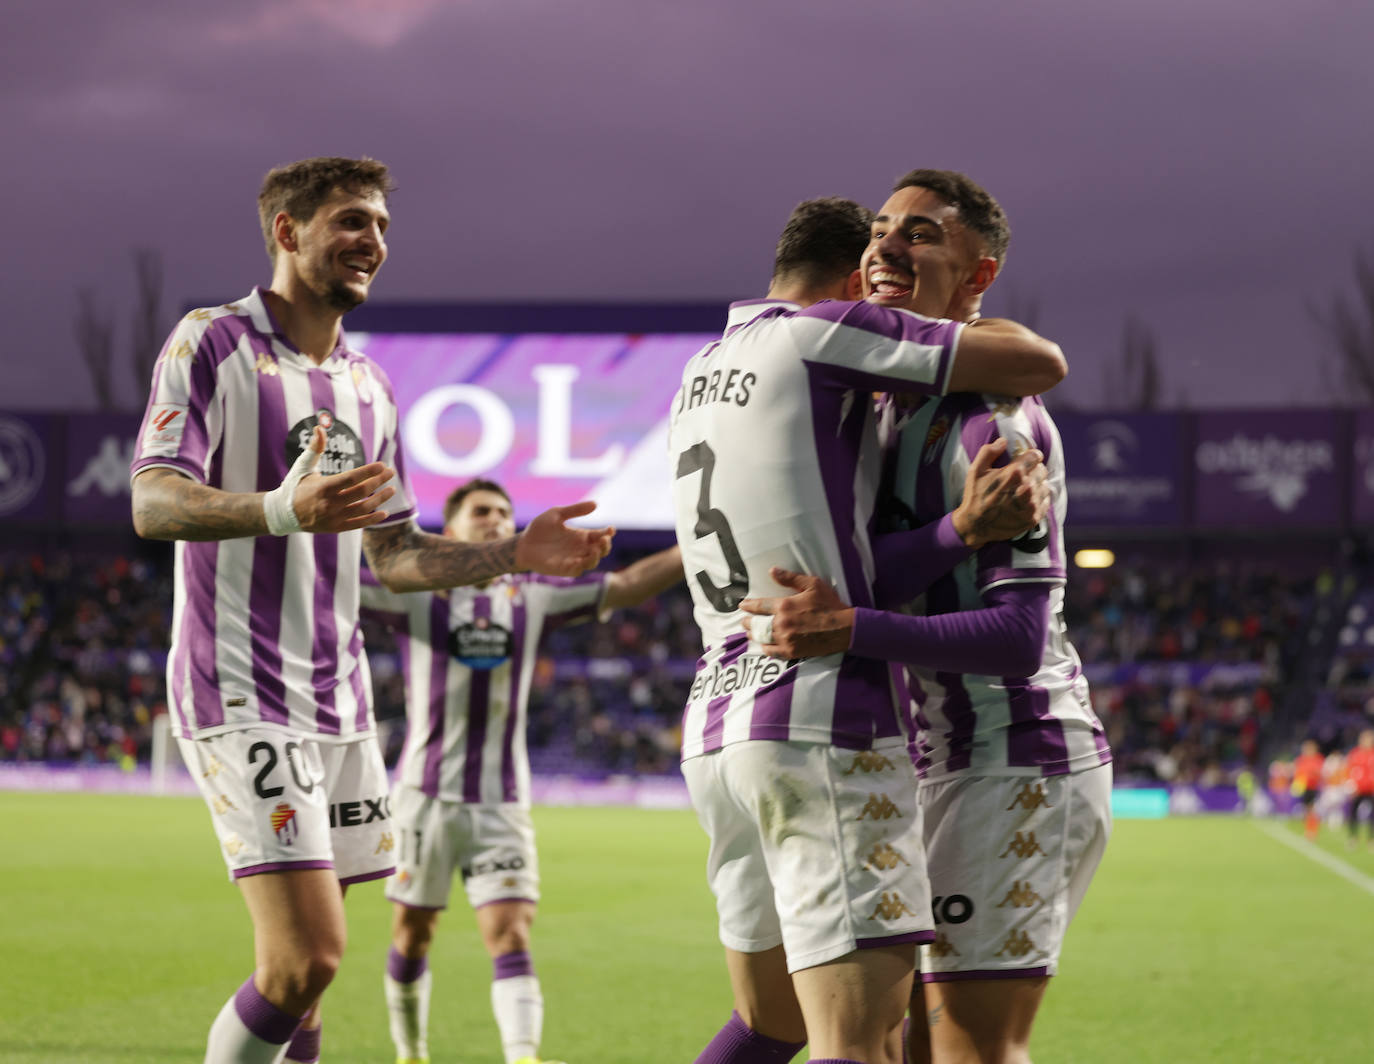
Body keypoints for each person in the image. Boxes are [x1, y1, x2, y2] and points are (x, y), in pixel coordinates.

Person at [129, 156, 612, 1064]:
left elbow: (393, 557)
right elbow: (153, 502)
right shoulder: (212, 342)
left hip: (342, 706)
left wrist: (516, 553)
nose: (373, 243)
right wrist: (283, 506)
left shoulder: (371, 385)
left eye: (382, 226)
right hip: (238, 687)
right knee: (304, 958)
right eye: (351, 221)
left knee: (312, 988)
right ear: (288, 231)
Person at [670, 193, 1066, 1064]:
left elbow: (837, 571)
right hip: (821, 721)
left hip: (720, 717)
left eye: (914, 237)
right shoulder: (820, 336)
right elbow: (1040, 361)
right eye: (880, 248)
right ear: (853, 290)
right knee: (860, 1041)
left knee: (773, 1024)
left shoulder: (702, 368)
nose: (892, 260)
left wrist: (954, 535)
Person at [361, 477, 683, 1064]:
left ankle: (523, 1057)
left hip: (501, 801)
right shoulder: (414, 594)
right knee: (413, 936)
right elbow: (335, 585)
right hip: (422, 797)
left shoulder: (532, 596)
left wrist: (699, 539)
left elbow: (629, 585)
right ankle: (410, 1052)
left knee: (510, 934)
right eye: (482, 511)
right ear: (448, 530)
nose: (496, 520)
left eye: (505, 514)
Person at [1344, 729, 1374, 850]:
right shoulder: (1355, 753)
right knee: (1353, 814)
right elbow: (1349, 771)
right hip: (1357, 790)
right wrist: (1350, 785)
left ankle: (1371, 839)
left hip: (1371, 789)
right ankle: (1353, 838)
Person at [1292, 739, 1326, 840]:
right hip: (1304, 788)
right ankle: (1308, 830)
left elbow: (1320, 773)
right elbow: (1298, 773)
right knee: (1306, 810)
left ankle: (1313, 830)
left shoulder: (1318, 759)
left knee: (1313, 810)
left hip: (1314, 788)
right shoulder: (1301, 759)